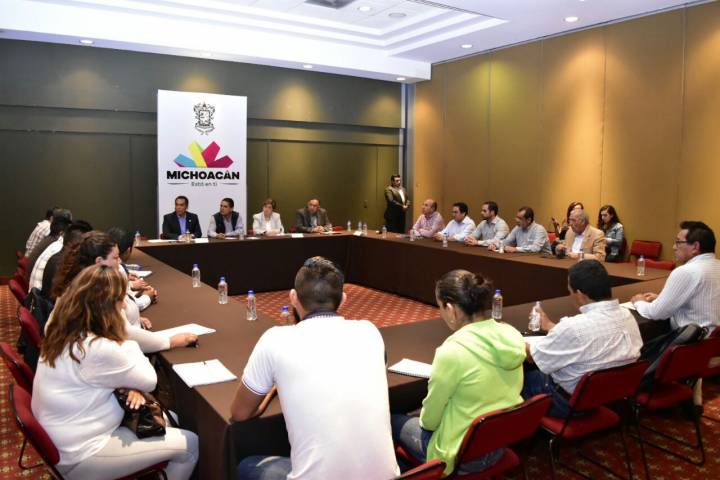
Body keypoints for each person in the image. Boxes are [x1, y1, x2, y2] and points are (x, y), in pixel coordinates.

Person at [231, 257, 399, 480]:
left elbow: (239, 413)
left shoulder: (275, 340)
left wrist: (272, 390)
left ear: (293, 297)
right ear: (343, 299)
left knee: (247, 466)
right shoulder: (370, 332)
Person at [33, 264, 198, 479]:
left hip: (65, 435)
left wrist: (129, 384)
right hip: (81, 454)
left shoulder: (64, 331)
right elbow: (149, 380)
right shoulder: (97, 347)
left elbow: (103, 375)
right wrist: (123, 334)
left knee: (169, 418)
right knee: (190, 444)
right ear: (107, 307)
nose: (124, 306)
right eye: (121, 300)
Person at [392, 270, 526, 476]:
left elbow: (429, 422)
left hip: (459, 455)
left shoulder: (452, 351)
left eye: (439, 307)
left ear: (450, 308)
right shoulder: (511, 334)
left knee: (390, 420)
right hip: (497, 445)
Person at [523, 260, 643, 417]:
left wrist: (506, 336)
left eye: (569, 291)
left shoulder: (573, 327)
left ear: (579, 295)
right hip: (609, 398)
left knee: (521, 376)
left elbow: (534, 355)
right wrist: (551, 326)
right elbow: (586, 337)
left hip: (568, 404)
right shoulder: (627, 315)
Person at [50, 231, 196, 353]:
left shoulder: (77, 283)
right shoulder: (97, 292)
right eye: (115, 258)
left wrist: (133, 317)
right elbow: (124, 332)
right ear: (99, 261)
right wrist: (170, 341)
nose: (119, 262)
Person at [631, 221, 720, 331]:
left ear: (695, 247)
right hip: (714, 338)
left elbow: (656, 313)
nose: (674, 247)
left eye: (678, 242)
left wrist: (639, 302)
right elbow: (705, 303)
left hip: (694, 340)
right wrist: (662, 299)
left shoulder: (686, 271)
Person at [107, 227, 157, 312]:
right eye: (115, 257)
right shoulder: (117, 271)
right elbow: (129, 306)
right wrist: (148, 296)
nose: (119, 262)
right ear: (128, 250)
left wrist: (133, 289)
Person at [28, 212, 73, 291]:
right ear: (61, 233)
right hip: (36, 293)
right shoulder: (57, 246)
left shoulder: (47, 240)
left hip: (31, 284)